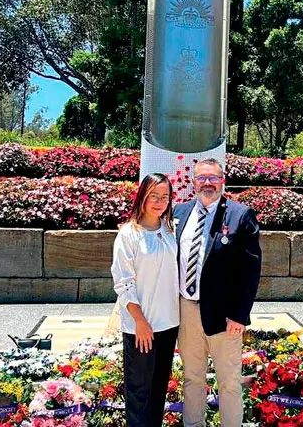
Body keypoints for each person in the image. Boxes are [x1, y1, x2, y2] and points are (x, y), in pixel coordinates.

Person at [174, 158, 262, 427]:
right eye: (202, 178)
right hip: (186, 310)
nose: (207, 183)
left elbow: (251, 270)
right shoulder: (179, 212)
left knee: (229, 382)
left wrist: (239, 315)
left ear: (223, 181)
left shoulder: (240, 214)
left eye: (213, 178)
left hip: (225, 316)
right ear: (193, 182)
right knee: (192, 377)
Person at [111, 173, 179, 427]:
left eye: (165, 197)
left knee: (158, 389)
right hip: (141, 327)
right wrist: (140, 321)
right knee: (139, 392)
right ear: (142, 197)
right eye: (154, 196)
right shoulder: (129, 235)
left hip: (169, 323)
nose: (159, 202)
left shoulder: (172, 230)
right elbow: (124, 283)